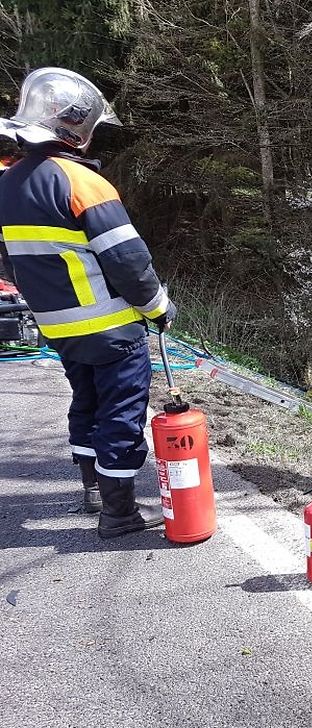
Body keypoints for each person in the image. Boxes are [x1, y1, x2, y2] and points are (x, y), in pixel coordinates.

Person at [0, 67, 176, 538]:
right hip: (112, 328)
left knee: (86, 403)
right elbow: (128, 261)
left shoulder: (6, 186)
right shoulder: (83, 182)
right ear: (77, 127)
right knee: (120, 412)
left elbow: (8, 264)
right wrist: (159, 308)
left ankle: (92, 492)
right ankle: (118, 514)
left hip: (59, 329)